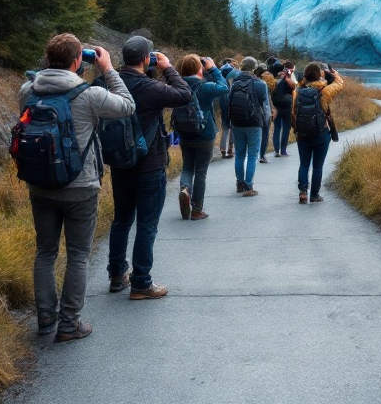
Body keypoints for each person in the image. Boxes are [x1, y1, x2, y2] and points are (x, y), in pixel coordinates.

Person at [20, 33, 135, 342]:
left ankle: (46, 319)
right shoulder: (89, 95)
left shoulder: (27, 91)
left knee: (45, 251)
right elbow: (127, 105)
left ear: (47, 59)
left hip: (40, 184)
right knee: (78, 255)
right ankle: (69, 324)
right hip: (80, 186)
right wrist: (108, 69)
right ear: (76, 61)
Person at [111, 36, 192, 300]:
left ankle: (116, 274)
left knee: (122, 219)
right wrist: (167, 68)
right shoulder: (151, 87)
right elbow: (184, 94)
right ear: (147, 59)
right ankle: (142, 283)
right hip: (150, 164)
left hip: (120, 162)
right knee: (147, 224)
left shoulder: (108, 83)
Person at [176, 54, 228, 220]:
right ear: (199, 69)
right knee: (200, 172)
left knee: (187, 167)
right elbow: (224, 87)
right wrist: (213, 69)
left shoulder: (177, 86)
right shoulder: (205, 87)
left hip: (184, 133)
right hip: (204, 134)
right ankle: (197, 209)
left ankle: (185, 188)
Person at [292, 62, 345, 204]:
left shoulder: (297, 92)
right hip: (322, 133)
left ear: (305, 75)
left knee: (304, 164)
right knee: (317, 166)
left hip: (303, 135)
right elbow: (340, 84)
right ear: (320, 74)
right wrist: (334, 74)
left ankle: (303, 192)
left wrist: (296, 130)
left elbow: (294, 114)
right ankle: (314, 195)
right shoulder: (325, 91)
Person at [228, 57, 271, 195]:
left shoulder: (234, 82)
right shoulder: (260, 84)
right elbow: (265, 105)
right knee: (253, 155)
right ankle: (249, 185)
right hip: (254, 122)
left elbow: (228, 101)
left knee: (239, 154)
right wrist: (266, 120)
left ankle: (239, 183)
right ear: (254, 68)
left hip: (236, 122)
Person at [270, 62, 296, 157]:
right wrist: (287, 76)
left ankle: (276, 150)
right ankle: (283, 150)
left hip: (275, 104)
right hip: (286, 104)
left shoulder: (274, 77)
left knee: (277, 127)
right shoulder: (287, 77)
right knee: (286, 127)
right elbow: (293, 86)